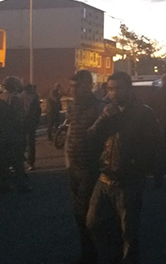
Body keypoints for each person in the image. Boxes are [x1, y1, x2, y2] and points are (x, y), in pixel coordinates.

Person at [86, 71, 160, 264]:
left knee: (129, 229)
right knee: (93, 222)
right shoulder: (107, 112)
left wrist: (140, 168)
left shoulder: (143, 113)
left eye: (118, 88)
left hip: (129, 179)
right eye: (110, 89)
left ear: (129, 88)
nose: (114, 93)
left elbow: (154, 144)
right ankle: (112, 253)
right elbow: (91, 138)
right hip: (104, 176)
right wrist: (103, 118)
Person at [65, 70, 105, 264]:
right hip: (74, 167)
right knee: (79, 213)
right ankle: (88, 252)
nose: (72, 90)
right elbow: (71, 135)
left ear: (88, 86)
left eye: (77, 86)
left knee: (89, 213)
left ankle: (95, 253)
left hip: (91, 166)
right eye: (71, 86)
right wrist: (67, 162)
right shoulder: (72, 107)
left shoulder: (99, 108)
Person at [0, 76, 29, 193]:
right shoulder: (15, 99)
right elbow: (20, 116)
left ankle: (4, 185)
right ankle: (21, 185)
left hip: (1, 134)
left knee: (3, 161)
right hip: (14, 133)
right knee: (18, 161)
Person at [22, 84, 42, 170]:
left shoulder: (19, 97)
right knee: (31, 143)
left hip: (21, 122)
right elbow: (38, 110)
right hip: (31, 122)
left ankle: (19, 161)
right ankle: (31, 163)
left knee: (21, 142)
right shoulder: (34, 97)